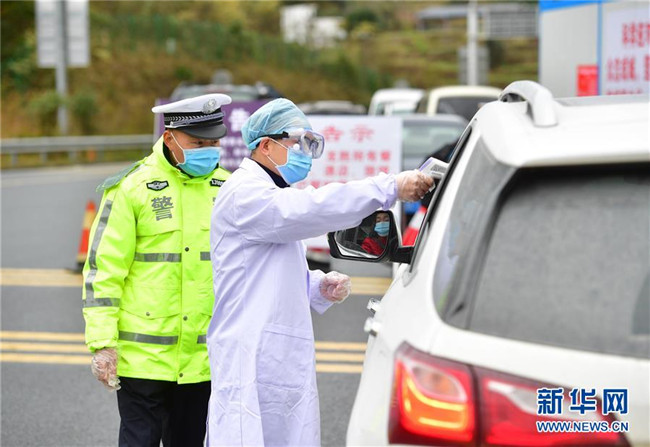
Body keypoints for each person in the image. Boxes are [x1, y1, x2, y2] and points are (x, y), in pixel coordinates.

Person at [206, 98, 433, 446]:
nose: (304, 154)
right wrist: (387, 188)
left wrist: (315, 285)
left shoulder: (270, 192)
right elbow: (310, 209)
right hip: (251, 353)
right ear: (265, 145)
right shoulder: (245, 194)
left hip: (274, 353)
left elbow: (264, 270)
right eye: (297, 143)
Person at [82, 93, 232, 447]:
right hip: (143, 361)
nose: (208, 151)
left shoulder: (228, 189)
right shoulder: (131, 189)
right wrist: (103, 343)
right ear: (170, 138)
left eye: (213, 143)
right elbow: (104, 271)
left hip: (203, 360)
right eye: (198, 143)